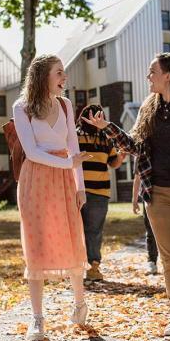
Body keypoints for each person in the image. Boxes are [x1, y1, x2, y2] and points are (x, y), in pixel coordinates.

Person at [82, 52, 170, 336]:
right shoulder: (149, 107)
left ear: (168, 75)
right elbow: (134, 145)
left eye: (152, 72)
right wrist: (106, 128)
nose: (148, 77)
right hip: (158, 194)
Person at [13, 54, 91, 341]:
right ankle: (37, 318)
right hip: (35, 179)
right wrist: (67, 165)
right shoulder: (21, 107)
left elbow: (73, 145)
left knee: (72, 238)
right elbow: (32, 152)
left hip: (64, 180)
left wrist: (79, 184)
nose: (64, 78)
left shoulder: (66, 105)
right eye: (59, 72)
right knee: (36, 244)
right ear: (43, 76)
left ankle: (80, 304)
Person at [77, 104, 126, 281]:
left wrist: (120, 157)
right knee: (84, 230)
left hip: (97, 192)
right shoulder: (74, 136)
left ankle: (92, 266)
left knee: (92, 230)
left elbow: (113, 163)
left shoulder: (106, 138)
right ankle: (81, 267)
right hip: (78, 191)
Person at [132, 172, 159, 275]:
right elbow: (137, 177)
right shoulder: (141, 155)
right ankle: (152, 261)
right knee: (150, 230)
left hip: (169, 193)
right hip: (149, 196)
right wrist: (134, 201)